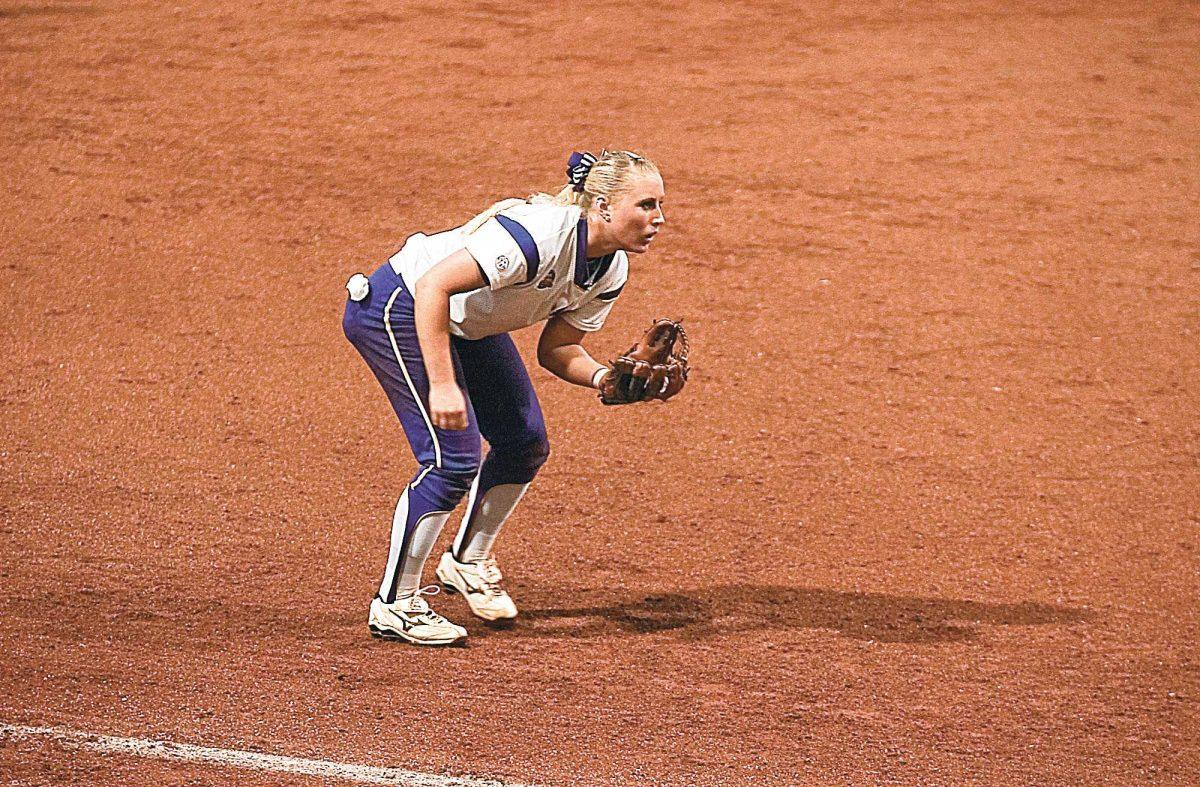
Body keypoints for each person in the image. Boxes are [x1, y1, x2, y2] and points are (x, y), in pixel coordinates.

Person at [342, 150, 667, 646]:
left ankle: (467, 561)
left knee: (524, 442)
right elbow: (433, 286)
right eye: (645, 204)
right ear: (601, 205)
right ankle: (396, 605)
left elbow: (558, 349)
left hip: (465, 325)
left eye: (660, 206)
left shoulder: (609, 270)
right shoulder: (537, 235)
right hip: (398, 306)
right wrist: (444, 382)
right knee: (452, 461)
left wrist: (605, 379)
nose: (658, 219)